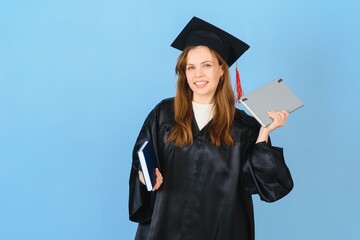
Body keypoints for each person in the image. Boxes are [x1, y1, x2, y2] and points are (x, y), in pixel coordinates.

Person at [128, 16, 293, 240]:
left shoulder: (243, 126)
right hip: (166, 229)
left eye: (207, 65)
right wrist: (145, 176)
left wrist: (264, 133)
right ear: (184, 72)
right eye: (191, 67)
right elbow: (142, 163)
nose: (198, 75)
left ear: (221, 70)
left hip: (221, 231)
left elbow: (261, 185)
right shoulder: (163, 115)